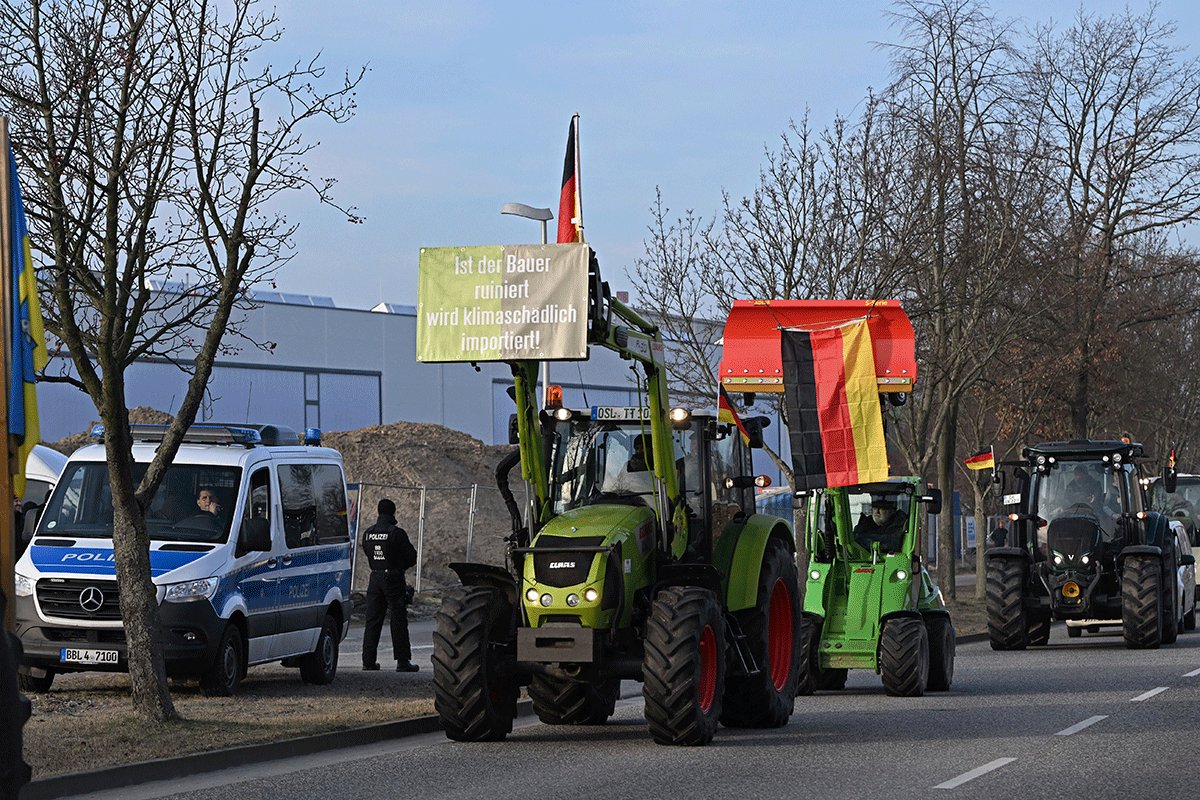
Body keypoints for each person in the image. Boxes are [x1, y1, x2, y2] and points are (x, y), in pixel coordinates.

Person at [360, 498, 419, 672]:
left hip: (375, 578)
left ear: (379, 512)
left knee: (372, 620)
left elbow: (368, 553)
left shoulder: (368, 533)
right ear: (393, 512)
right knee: (398, 619)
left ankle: (368, 661)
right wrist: (398, 566)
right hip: (393, 578)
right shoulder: (396, 533)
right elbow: (411, 557)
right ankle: (402, 661)